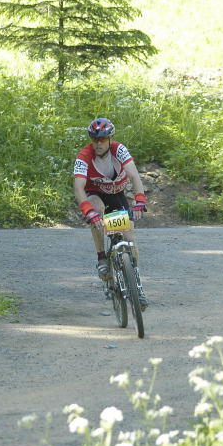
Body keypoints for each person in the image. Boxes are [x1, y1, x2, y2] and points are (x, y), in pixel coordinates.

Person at [73, 118, 149, 307]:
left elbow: (134, 175)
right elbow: (79, 187)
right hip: (95, 194)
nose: (98, 144)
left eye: (102, 139)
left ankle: (136, 283)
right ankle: (102, 258)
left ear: (110, 139)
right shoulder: (84, 155)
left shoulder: (119, 150)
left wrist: (140, 199)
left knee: (128, 235)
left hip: (116, 195)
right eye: (95, 140)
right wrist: (87, 210)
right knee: (96, 211)